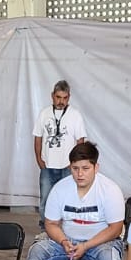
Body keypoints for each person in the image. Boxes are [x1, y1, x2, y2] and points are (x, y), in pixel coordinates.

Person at [25, 140, 125, 260]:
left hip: (101, 242)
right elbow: (51, 224)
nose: (80, 174)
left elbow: (115, 228)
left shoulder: (110, 190)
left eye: (85, 168)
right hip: (67, 241)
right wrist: (63, 240)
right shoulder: (60, 189)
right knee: (36, 252)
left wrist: (86, 246)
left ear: (96, 167)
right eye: (75, 168)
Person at [32, 80, 87, 221]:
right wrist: (39, 159)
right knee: (45, 201)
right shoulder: (44, 113)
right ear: (52, 96)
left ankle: (67, 230)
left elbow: (80, 142)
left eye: (64, 98)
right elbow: (38, 137)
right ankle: (45, 229)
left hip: (67, 167)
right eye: (58, 97)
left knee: (68, 201)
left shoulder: (75, 115)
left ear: (69, 97)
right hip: (47, 166)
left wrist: (75, 164)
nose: (61, 101)